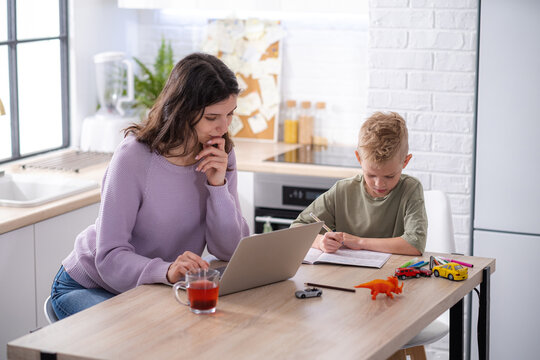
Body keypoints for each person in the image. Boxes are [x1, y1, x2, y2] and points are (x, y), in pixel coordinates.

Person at [50, 53, 250, 319]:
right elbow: (109, 256)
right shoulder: (134, 157)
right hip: (88, 285)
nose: (223, 127)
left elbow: (229, 249)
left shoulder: (220, 154)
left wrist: (217, 185)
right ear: (183, 111)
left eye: (230, 114)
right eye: (212, 117)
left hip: (151, 288)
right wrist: (166, 271)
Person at [291, 111, 426, 256]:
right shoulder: (343, 190)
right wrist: (320, 241)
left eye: (389, 176)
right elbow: (296, 229)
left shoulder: (410, 189)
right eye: (371, 175)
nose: (379, 184)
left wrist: (360, 242)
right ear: (359, 158)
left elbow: (415, 244)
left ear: (405, 161)